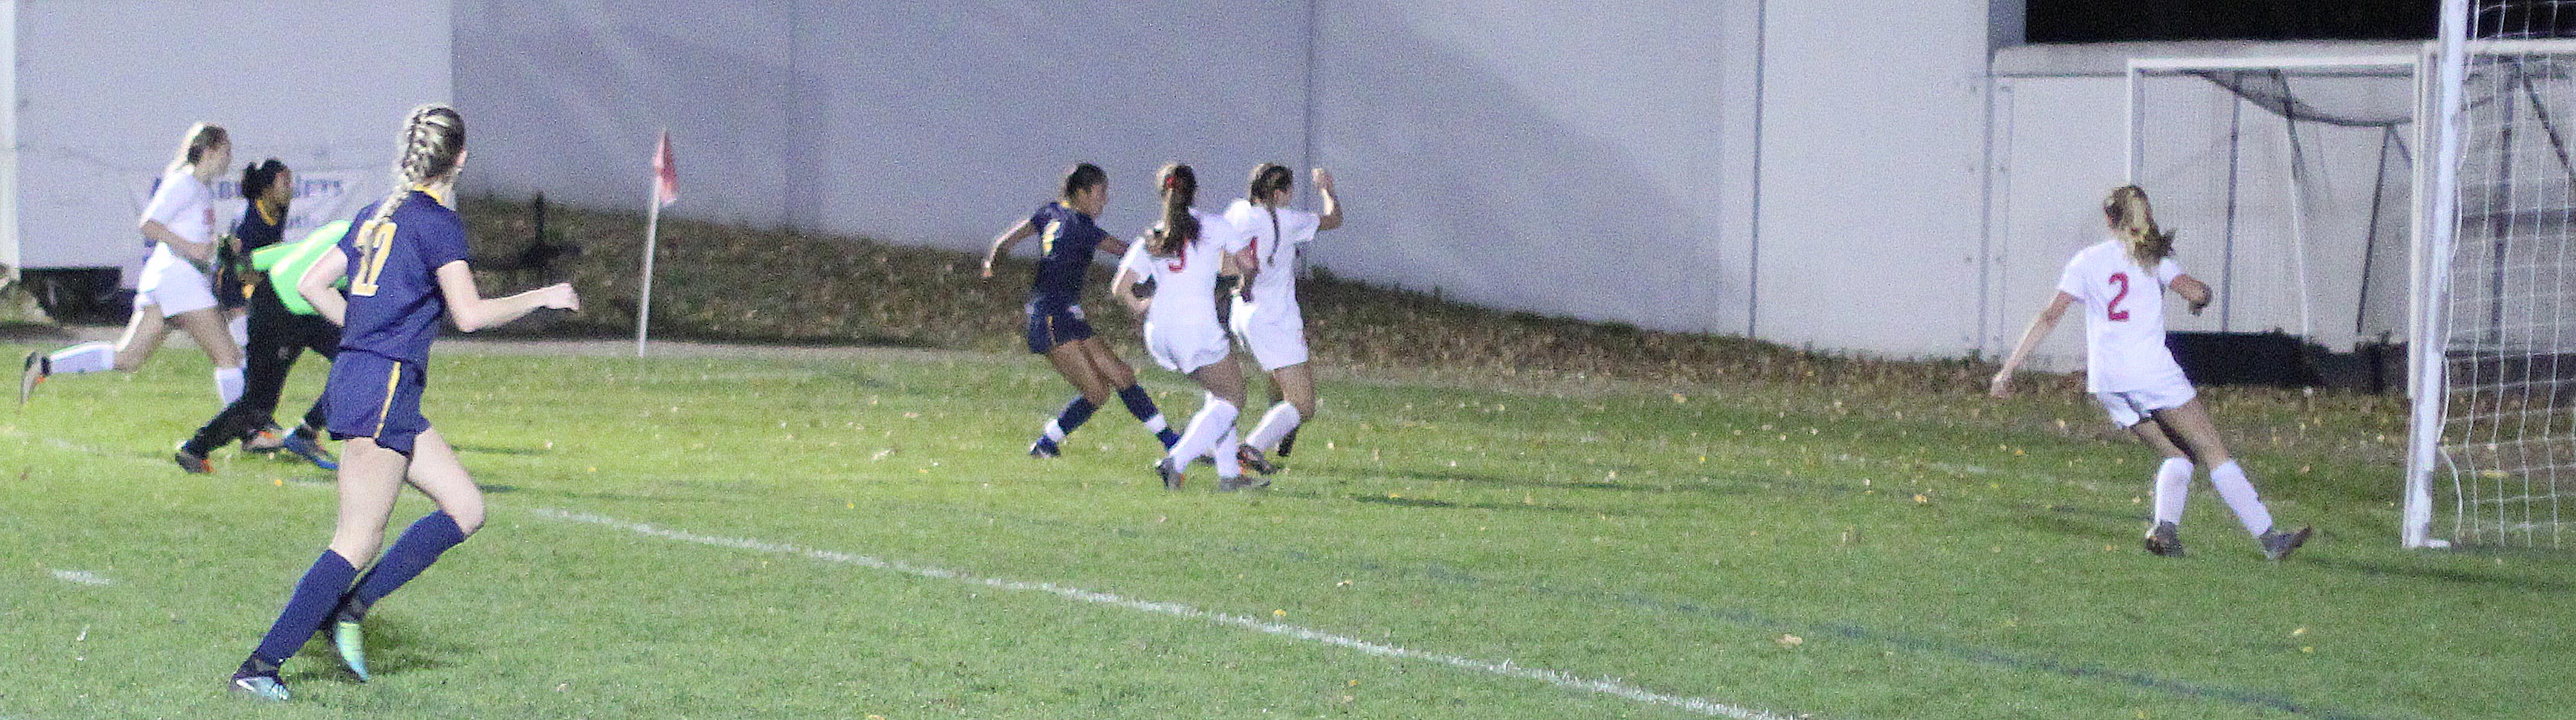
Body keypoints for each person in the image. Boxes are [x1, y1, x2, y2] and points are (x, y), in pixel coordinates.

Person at [228, 105, 580, 701]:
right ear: (459, 158)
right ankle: (260, 666)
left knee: (465, 508)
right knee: (357, 540)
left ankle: (350, 610)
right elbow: (469, 314)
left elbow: (313, 284)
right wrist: (542, 295)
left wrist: (364, 334)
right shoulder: (437, 222)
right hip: (383, 387)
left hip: (370, 380)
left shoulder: (378, 213)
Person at [1989, 185, 2312, 561]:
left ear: (2109, 219)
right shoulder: (2152, 259)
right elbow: (2196, 293)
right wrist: (2202, 297)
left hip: (2108, 382)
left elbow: (2049, 316)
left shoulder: (2086, 261)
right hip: (2152, 373)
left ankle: (2164, 531)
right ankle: (2271, 539)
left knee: (2178, 455)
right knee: (2212, 449)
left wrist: (2007, 370)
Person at [21, 123, 249, 423]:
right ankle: (246, 429)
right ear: (210, 151)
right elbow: (149, 224)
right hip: (179, 279)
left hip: (169, 280)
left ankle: (44, 366)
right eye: (226, 150)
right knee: (229, 357)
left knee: (128, 358)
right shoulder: (184, 183)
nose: (230, 157)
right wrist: (191, 248)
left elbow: (191, 236)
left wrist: (218, 245)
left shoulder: (199, 188)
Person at [981, 163, 1181, 458]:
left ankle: (1172, 442)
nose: (1105, 200)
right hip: (1051, 318)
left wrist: (991, 266)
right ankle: (1044, 445)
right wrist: (1168, 255)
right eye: (1101, 193)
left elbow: (1004, 243)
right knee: (1097, 392)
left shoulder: (1050, 213)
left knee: (1121, 375)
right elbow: (1125, 250)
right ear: (1082, 193)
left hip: (1065, 314)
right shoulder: (1081, 227)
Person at [174, 159, 345, 472]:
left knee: (358, 363)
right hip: (278, 308)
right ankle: (196, 449)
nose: (291, 188)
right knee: (258, 402)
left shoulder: (349, 229)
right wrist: (240, 287)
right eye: (284, 181)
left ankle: (306, 433)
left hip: (300, 306)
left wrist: (252, 261)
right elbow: (240, 265)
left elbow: (292, 251)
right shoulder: (364, 241)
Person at [1110, 164, 1264, 491]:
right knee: (1234, 396)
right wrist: (1245, 285)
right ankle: (1175, 461)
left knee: (1218, 392)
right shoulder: (1213, 225)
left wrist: (1140, 306)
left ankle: (1229, 476)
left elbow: (1121, 287)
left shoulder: (1154, 234)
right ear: (1195, 192)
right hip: (1195, 330)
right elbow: (1248, 263)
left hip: (1159, 332)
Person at [1222, 164, 1342, 472]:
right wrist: (1327, 191)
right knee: (1304, 404)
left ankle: (1281, 427)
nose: (1291, 196)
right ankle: (1251, 447)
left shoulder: (1238, 211)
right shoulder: (1288, 220)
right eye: (1289, 191)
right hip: (1274, 318)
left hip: (1242, 313)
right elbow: (1334, 219)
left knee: (1278, 376)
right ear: (1278, 194)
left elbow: (1224, 263)